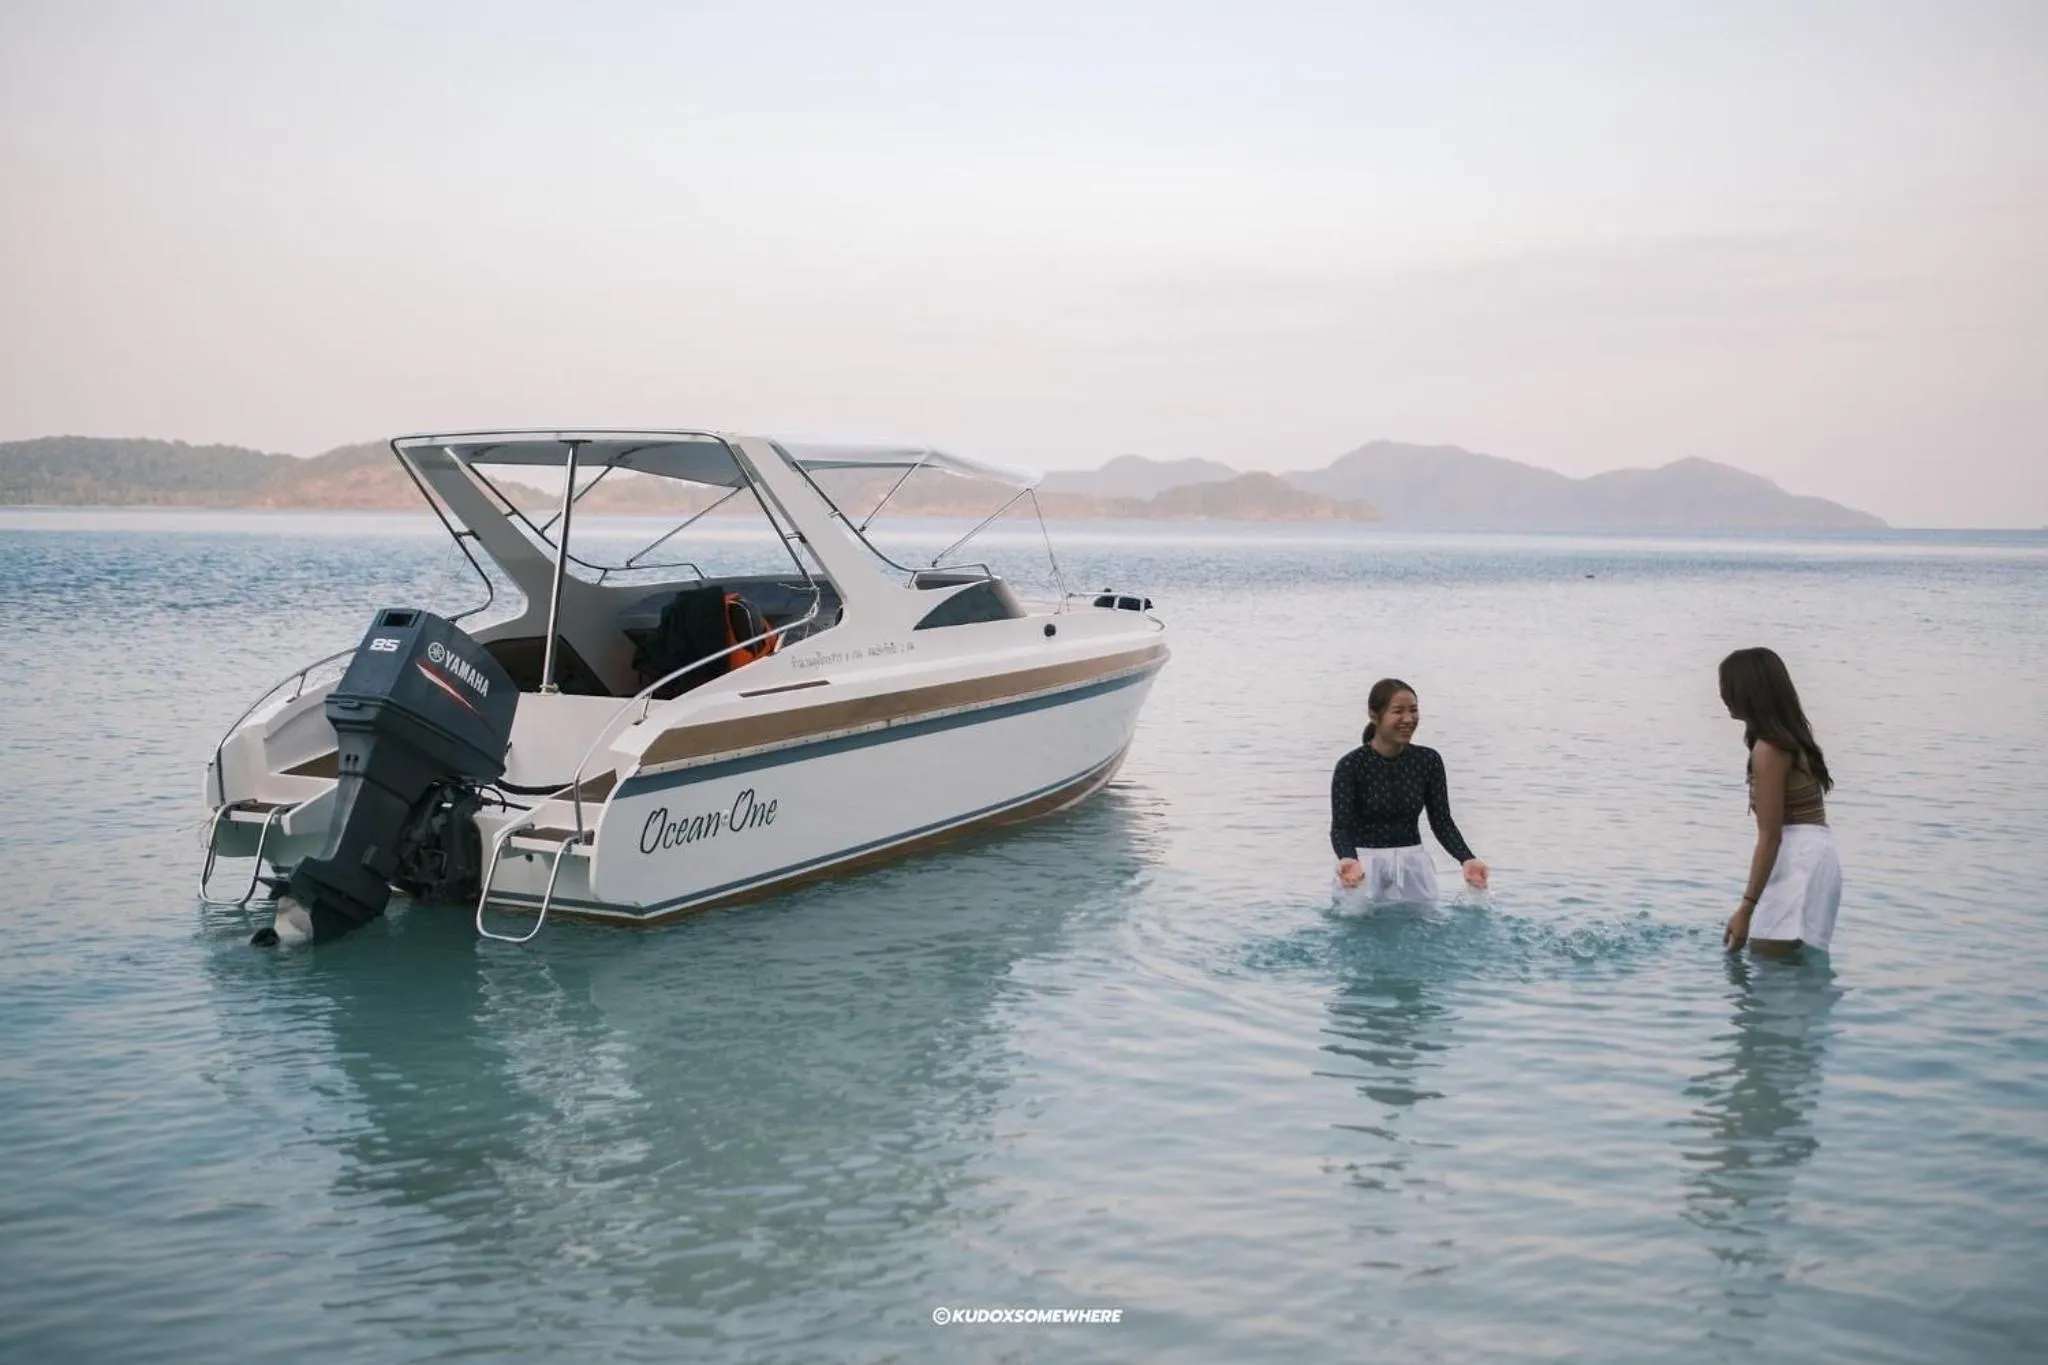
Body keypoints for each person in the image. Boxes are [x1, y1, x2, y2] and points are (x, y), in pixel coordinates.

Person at [1719, 647, 1842, 956]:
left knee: (1772, 974)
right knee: (1793, 975)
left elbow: (1771, 836)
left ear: (1747, 691)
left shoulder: (1769, 749)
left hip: (1797, 858)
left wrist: (1746, 909)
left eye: (1727, 685)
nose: (1722, 694)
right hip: (1817, 854)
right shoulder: (1792, 738)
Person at [1330, 678, 1489, 902]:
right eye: (1398, 711)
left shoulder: (1427, 760)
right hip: (1362, 868)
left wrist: (1467, 859)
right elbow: (1340, 828)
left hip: (1413, 866)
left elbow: (1442, 821)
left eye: (1413, 710)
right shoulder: (1351, 765)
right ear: (1375, 716)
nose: (1408, 719)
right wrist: (1347, 858)